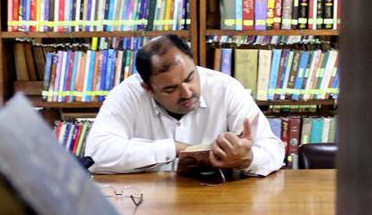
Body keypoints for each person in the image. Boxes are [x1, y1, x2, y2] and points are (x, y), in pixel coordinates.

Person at [85, 34, 285, 176]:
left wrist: (247, 158)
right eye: (170, 89)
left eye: (190, 78)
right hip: (149, 207)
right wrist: (175, 149)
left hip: (217, 205)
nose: (187, 93)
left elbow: (274, 150)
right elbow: (95, 156)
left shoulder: (226, 89)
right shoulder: (127, 95)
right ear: (148, 88)